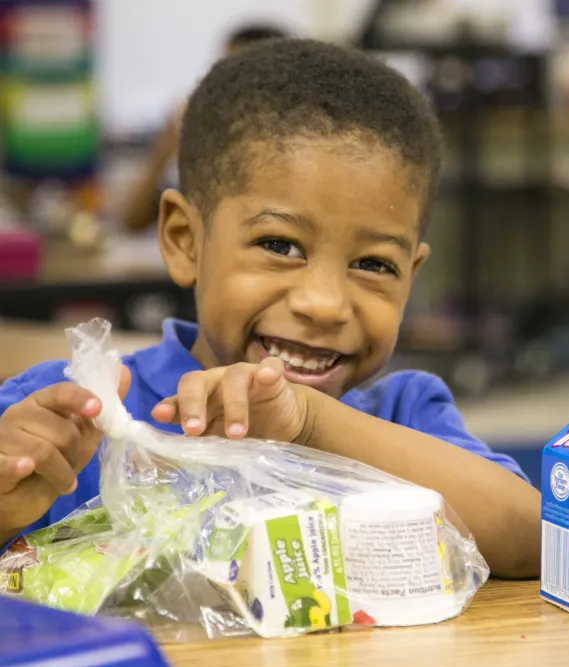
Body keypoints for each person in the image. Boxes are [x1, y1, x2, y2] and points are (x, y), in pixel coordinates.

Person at [0, 39, 540, 578]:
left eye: (374, 265)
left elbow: (538, 538)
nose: (324, 304)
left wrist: (311, 424)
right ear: (186, 240)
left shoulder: (404, 415)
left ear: (411, 276)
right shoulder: (71, 421)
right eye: (280, 246)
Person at [121, 24, 289, 232]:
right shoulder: (205, 147)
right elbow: (132, 221)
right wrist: (164, 151)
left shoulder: (292, 159)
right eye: (221, 74)